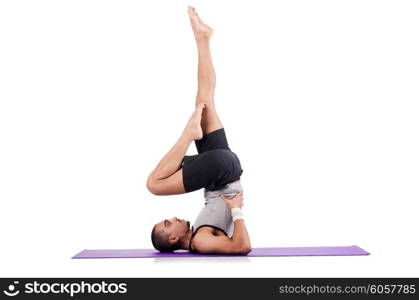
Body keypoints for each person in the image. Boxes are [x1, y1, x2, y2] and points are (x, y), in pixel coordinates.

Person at [146, 6, 251, 255]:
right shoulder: (201, 242)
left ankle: (202, 39)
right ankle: (188, 134)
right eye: (168, 223)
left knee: (205, 100)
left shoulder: (199, 235)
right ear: (172, 239)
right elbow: (243, 247)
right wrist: (236, 210)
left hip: (222, 172)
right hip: (221, 170)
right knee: (153, 185)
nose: (172, 218)